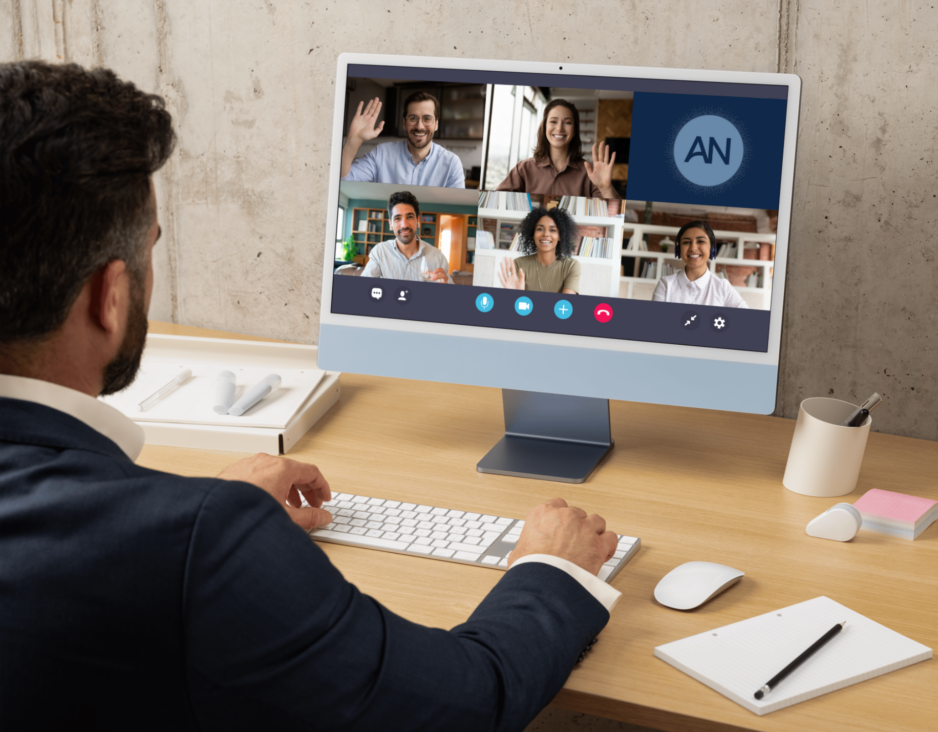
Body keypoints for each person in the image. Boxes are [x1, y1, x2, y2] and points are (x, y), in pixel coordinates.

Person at [0, 61, 622, 730]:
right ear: (111, 295)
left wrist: (186, 512)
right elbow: (463, 703)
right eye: (152, 250)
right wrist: (550, 572)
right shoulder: (205, 545)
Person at [497, 98, 619, 200]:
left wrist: (606, 188)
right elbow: (497, 203)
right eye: (553, 121)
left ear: (575, 130)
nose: (559, 128)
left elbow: (614, 215)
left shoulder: (590, 173)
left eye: (567, 123)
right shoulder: (523, 169)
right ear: (545, 127)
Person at [341, 90, 465, 188]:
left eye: (427, 119)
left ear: (436, 124)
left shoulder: (451, 164)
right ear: (404, 123)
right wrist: (354, 139)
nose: (419, 126)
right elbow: (344, 180)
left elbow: (459, 210)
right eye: (413, 118)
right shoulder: (381, 154)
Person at [652, 221, 749, 308]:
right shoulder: (666, 285)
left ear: (712, 249)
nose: (693, 248)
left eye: (701, 241)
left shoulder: (722, 287)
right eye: (686, 242)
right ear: (679, 250)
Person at [360, 190, 451, 283]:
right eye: (397, 218)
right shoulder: (380, 252)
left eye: (410, 217)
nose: (404, 225)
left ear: (418, 221)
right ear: (390, 224)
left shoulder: (437, 257)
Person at [497, 208, 581, 294]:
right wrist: (513, 294)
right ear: (533, 234)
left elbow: (566, 304)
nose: (545, 234)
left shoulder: (571, 266)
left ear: (560, 236)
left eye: (552, 230)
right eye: (540, 229)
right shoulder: (519, 264)